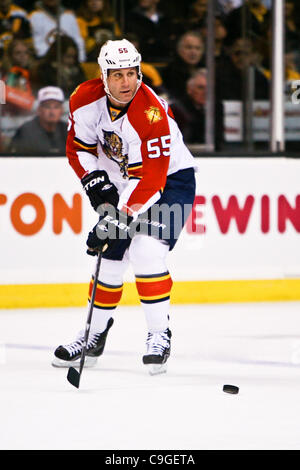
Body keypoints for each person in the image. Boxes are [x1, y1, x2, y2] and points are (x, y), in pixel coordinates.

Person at [52, 38, 196, 374]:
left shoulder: (151, 114)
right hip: (123, 180)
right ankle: (93, 334)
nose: (126, 82)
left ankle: (159, 334)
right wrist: (93, 181)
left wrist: (116, 218)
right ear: (103, 76)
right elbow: (78, 148)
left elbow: (151, 180)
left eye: (132, 73)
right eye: (117, 75)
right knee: (110, 255)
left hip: (171, 182)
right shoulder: (84, 99)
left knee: (146, 251)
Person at [171, 69, 224, 150]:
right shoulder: (177, 108)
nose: (205, 92)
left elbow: (218, 139)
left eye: (209, 88)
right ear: (189, 90)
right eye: (200, 88)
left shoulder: (216, 106)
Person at [9, 85, 67, 154]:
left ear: (62, 110)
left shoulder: (68, 131)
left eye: (56, 107)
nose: (52, 112)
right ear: (39, 110)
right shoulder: (26, 131)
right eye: (47, 107)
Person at [162, 31, 205, 100]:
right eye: (189, 47)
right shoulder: (170, 72)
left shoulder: (207, 70)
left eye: (198, 48)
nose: (193, 52)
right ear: (179, 49)